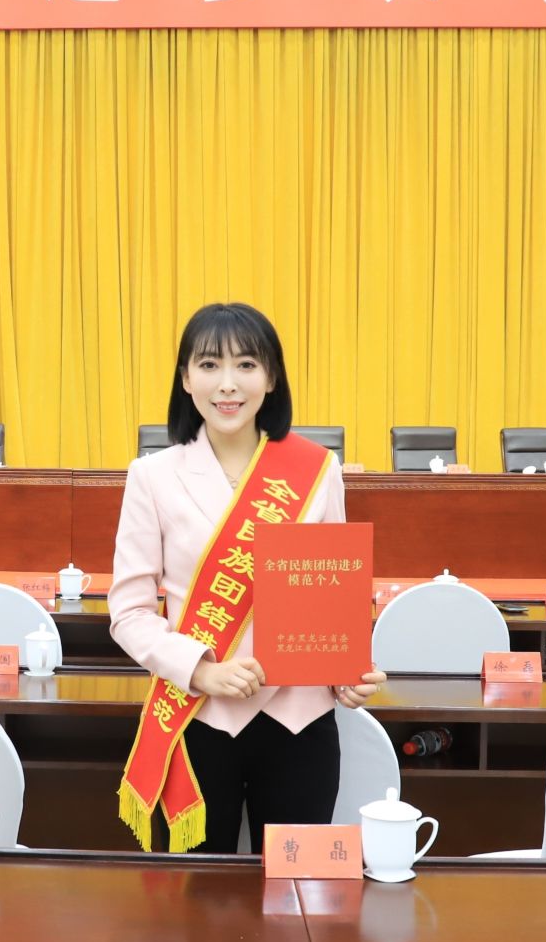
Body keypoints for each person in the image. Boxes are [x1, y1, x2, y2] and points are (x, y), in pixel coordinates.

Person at [109, 302, 384, 853]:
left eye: (246, 365)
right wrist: (201, 670)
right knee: (198, 894)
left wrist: (344, 673)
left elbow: (332, 593)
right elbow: (130, 612)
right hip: (199, 715)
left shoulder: (317, 470)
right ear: (186, 378)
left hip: (300, 717)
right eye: (209, 365)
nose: (228, 384)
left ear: (271, 377)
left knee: (297, 889)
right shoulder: (152, 477)